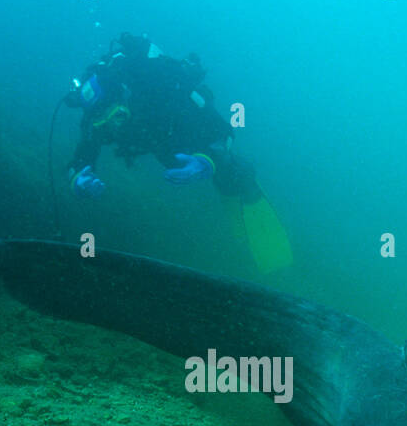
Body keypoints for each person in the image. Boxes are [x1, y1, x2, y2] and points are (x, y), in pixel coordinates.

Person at [65, 32, 291, 272]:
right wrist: (78, 177)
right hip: (158, 144)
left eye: (116, 116)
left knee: (223, 166)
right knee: (170, 160)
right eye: (101, 121)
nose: (111, 126)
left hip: (182, 134)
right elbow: (81, 156)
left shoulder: (163, 87)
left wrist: (207, 161)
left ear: (126, 97)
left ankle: (243, 184)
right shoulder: (96, 117)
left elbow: (222, 130)